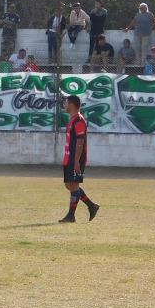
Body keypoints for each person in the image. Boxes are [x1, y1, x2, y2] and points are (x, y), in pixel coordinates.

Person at [59, 94, 99, 223]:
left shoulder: (79, 120)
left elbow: (80, 142)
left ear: (71, 104)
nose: (64, 105)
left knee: (73, 184)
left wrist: (76, 161)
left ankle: (71, 216)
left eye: (66, 103)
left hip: (75, 158)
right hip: (69, 157)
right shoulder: (72, 119)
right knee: (69, 185)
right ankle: (91, 206)